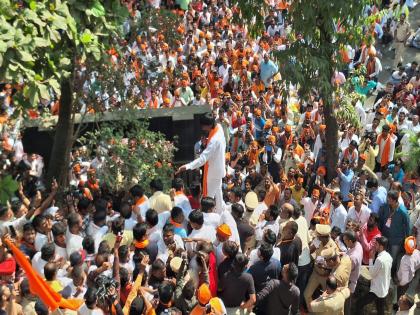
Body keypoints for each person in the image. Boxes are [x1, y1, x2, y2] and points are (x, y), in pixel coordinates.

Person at [177, 113, 226, 213]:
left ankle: (209, 217)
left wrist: (187, 166)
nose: (202, 128)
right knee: (218, 192)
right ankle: (220, 212)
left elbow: (202, 159)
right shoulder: (219, 128)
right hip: (219, 169)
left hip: (212, 172)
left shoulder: (214, 140)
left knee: (208, 197)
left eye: (203, 126)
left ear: (208, 125)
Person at [356, 236, 393, 315]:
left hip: (377, 290)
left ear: (381, 246)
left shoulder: (379, 260)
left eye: (376, 244)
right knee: (380, 309)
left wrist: (371, 259)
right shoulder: (389, 256)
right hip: (384, 288)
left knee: (359, 304)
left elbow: (371, 274)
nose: (374, 245)